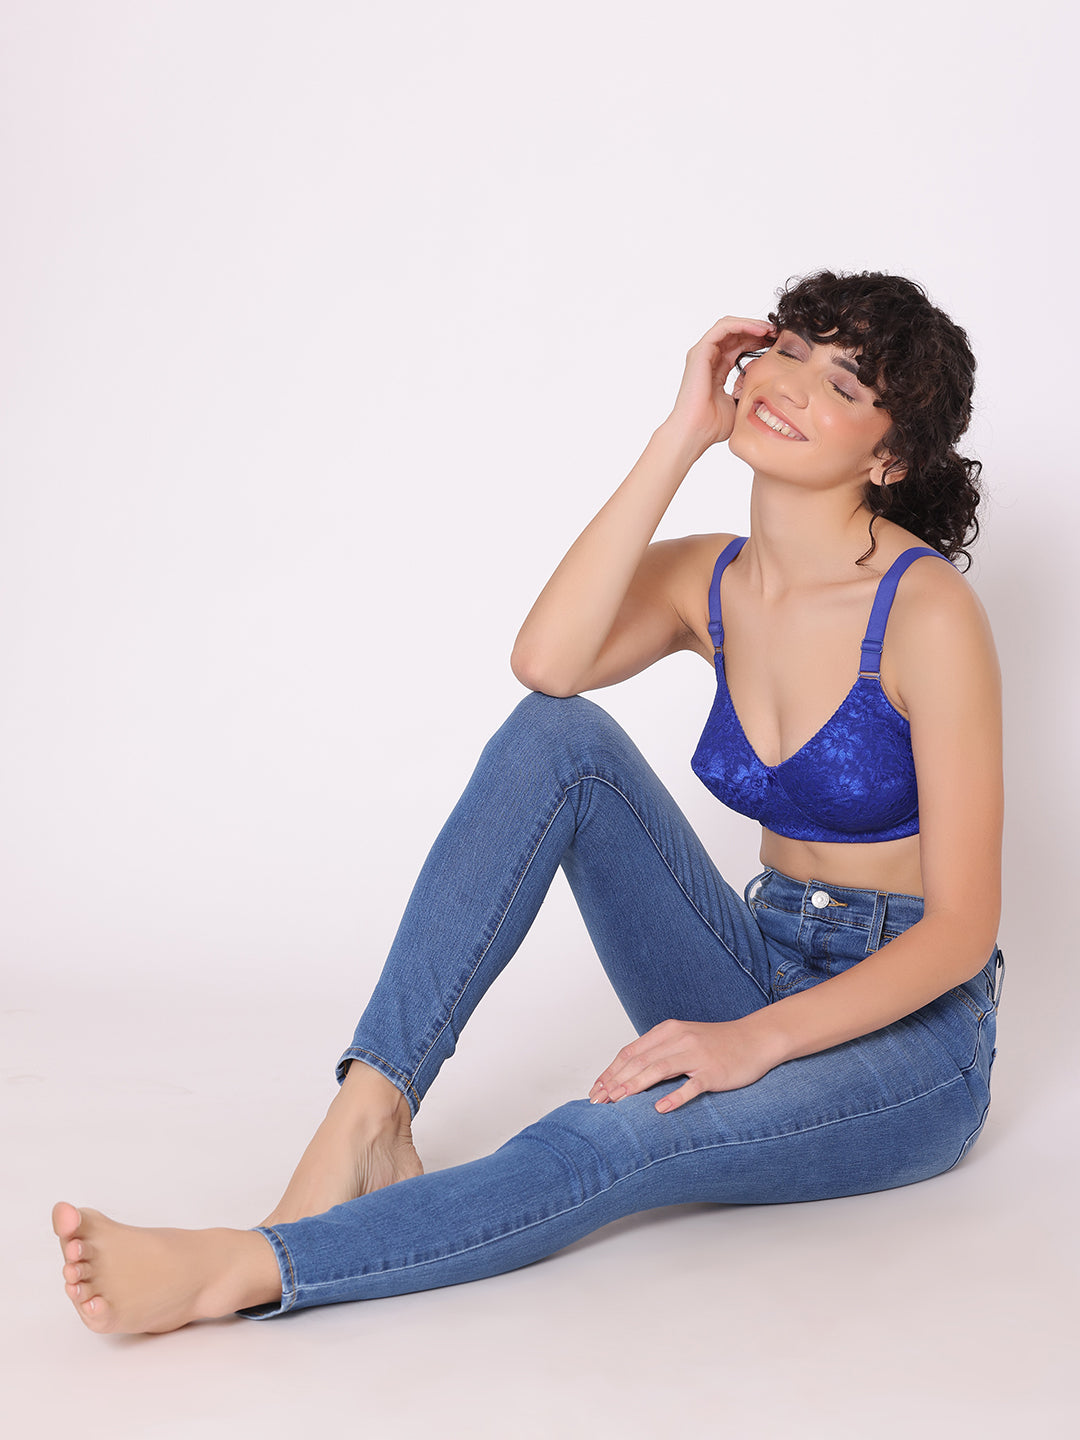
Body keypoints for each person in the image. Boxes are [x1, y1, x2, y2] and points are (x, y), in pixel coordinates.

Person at [53, 270, 1004, 1334]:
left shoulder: (927, 612)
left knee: (620, 1132)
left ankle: (251, 1268)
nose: (790, 384)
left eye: (842, 382)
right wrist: (679, 437)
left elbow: (963, 931)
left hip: (909, 1038)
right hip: (756, 957)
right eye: (788, 350)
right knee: (559, 738)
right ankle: (369, 1114)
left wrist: (755, 1043)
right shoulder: (710, 580)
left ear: (890, 456)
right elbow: (547, 666)